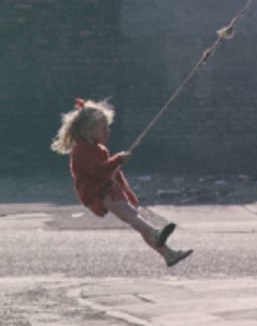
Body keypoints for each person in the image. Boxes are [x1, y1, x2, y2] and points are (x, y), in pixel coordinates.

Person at [51, 98, 192, 267]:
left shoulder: (99, 149)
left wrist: (126, 190)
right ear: (88, 130)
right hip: (99, 193)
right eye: (103, 128)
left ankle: (168, 254)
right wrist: (118, 159)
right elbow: (98, 171)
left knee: (135, 221)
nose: (107, 131)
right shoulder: (81, 150)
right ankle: (156, 234)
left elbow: (113, 173)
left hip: (108, 189)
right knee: (134, 218)